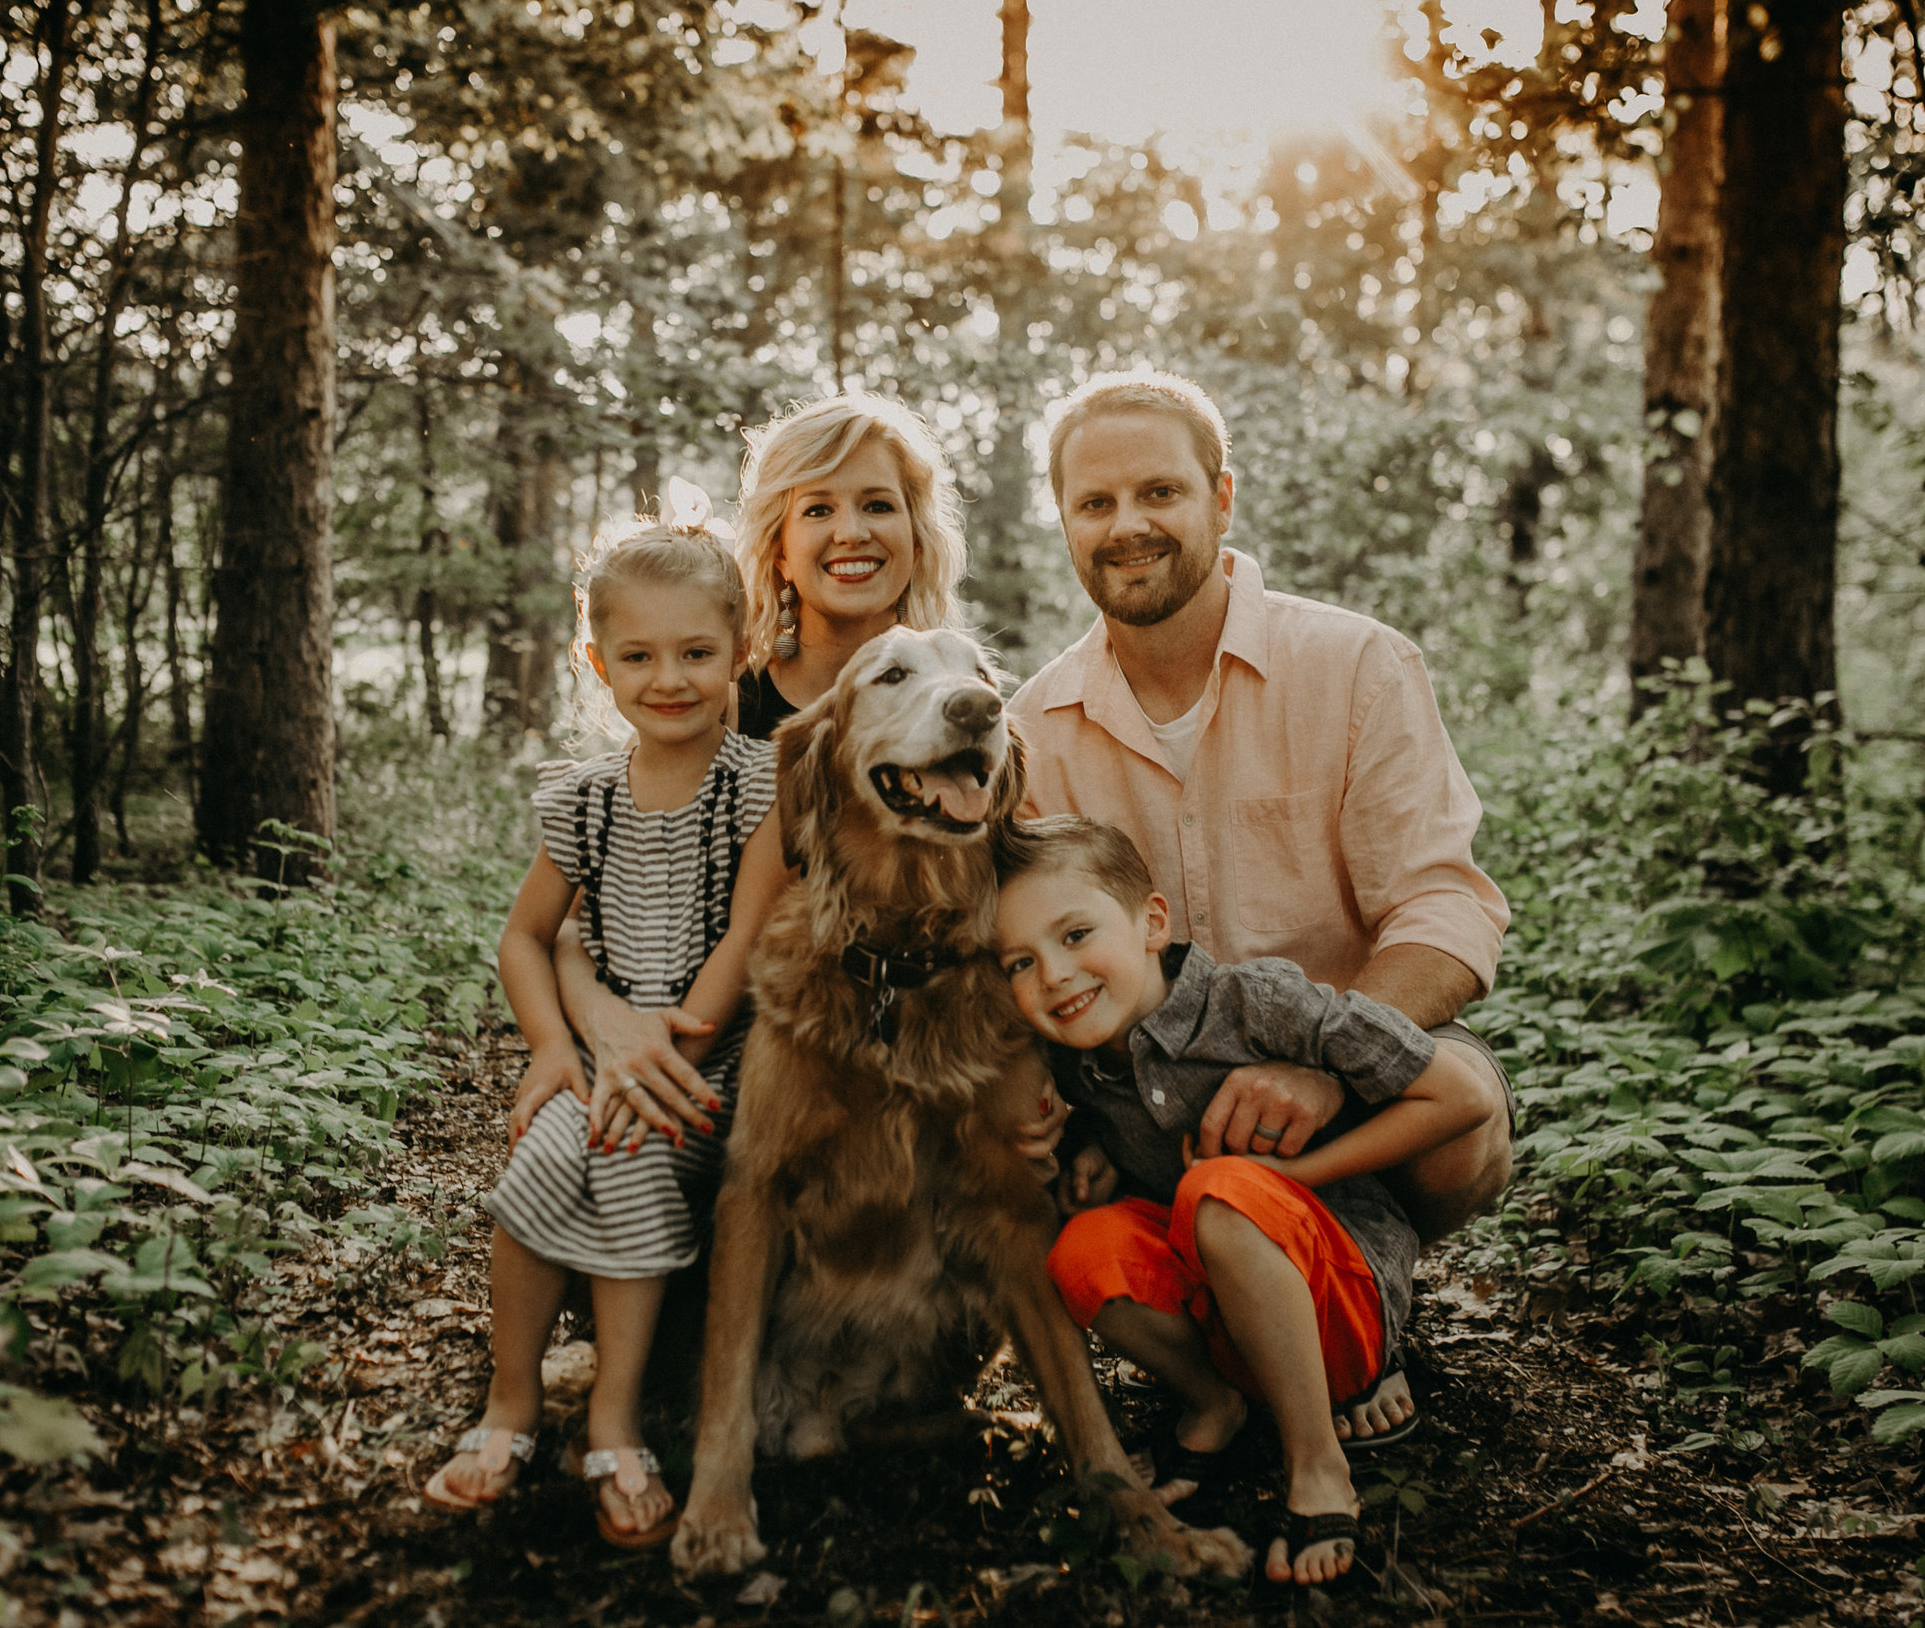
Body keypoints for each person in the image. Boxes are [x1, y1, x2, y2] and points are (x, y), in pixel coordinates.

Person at [1008, 370, 1517, 1449]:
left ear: (1221, 498)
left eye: (1159, 492)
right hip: (1153, 1110)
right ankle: (1227, 1361)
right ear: (1063, 523)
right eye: (1094, 504)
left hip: (1340, 1063)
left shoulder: (1354, 665)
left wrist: (1323, 1065)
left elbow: (1442, 906)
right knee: (1052, 1180)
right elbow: (1022, 953)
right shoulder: (1035, 727)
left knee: (1460, 1109)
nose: (1127, 525)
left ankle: (1372, 1300)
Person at [992, 816, 1491, 1585]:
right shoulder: (1081, 1063)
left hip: (1339, 1293)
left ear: (1152, 922)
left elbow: (1458, 1097)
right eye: (1020, 961)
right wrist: (1091, 1163)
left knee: (1219, 1193)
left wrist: (1302, 1175)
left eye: (1076, 933)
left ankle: (1319, 1463)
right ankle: (1216, 1400)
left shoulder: (1252, 1001)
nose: (1053, 974)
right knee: (1080, 1247)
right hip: (1224, 1310)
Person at [422, 523, 791, 1549]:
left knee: (623, 1152)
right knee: (546, 1149)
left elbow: (747, 942)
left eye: (695, 653)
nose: (667, 677)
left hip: (708, 1066)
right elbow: (523, 936)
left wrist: (670, 1056)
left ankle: (614, 1420)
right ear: (597, 662)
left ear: (741, 650)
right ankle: (509, 1404)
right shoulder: (586, 797)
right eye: (637, 655)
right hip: (600, 1051)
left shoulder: (760, 786)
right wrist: (550, 1048)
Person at [557, 394, 970, 1140]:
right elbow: (583, 916)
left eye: (878, 504)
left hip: (921, 1075)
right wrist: (605, 1026)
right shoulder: (722, 702)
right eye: (817, 509)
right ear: (778, 546)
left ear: (915, 533)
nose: (851, 531)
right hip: (721, 1069)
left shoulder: (960, 706)